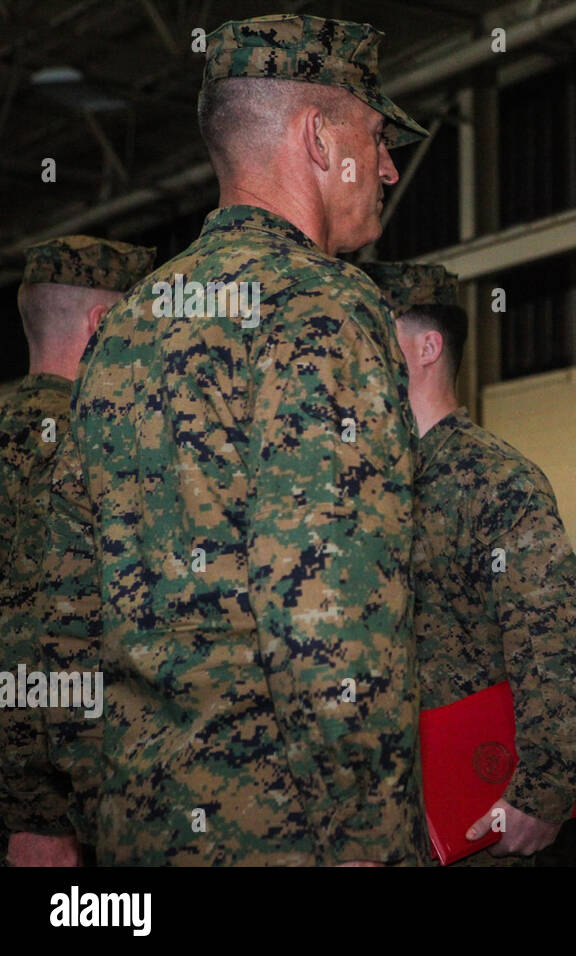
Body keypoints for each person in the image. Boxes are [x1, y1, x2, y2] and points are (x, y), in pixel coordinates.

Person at [39, 14, 429, 866]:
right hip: (292, 832)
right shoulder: (322, 306)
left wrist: (87, 798)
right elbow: (329, 607)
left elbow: (66, 603)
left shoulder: (127, 326)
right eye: (376, 136)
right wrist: (366, 829)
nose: (391, 166)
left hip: (141, 823)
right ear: (320, 139)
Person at [361, 260, 576, 865]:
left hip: (475, 812)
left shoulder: (495, 480)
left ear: (426, 348)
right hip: (382, 813)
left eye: (370, 336)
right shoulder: (367, 484)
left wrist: (542, 793)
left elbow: (557, 641)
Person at [1, 236, 154, 867]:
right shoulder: (85, 451)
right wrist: (44, 814)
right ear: (100, 325)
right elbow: (33, 641)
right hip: (53, 820)